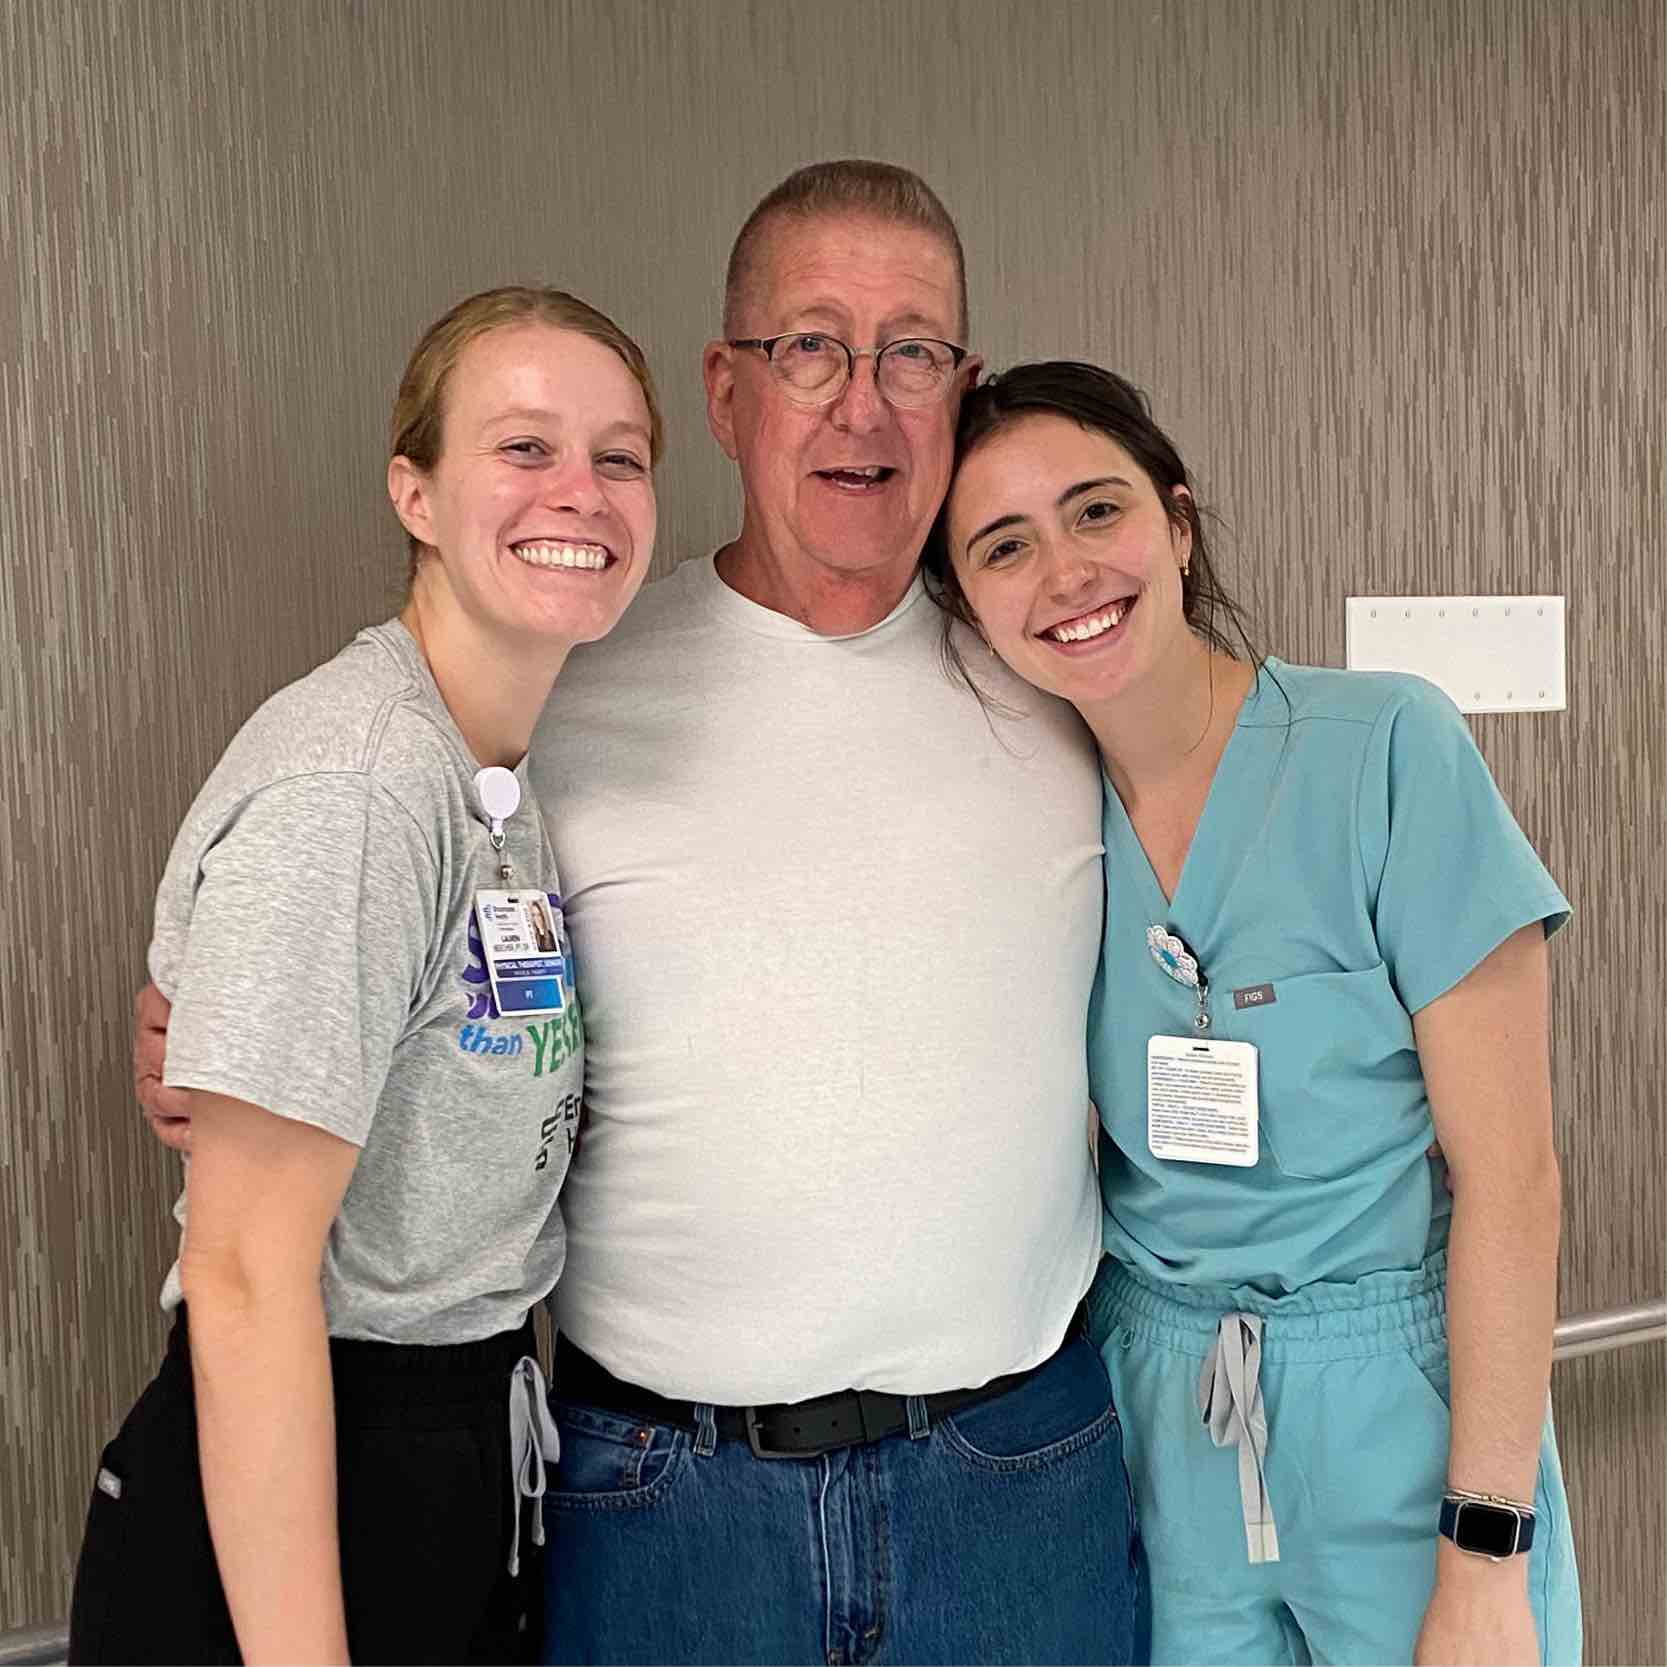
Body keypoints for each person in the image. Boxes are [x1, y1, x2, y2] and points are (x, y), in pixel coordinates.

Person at [135, 164, 1146, 1666]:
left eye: (912, 351)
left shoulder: (1067, 673)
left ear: (962, 388)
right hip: (666, 1501)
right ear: (729, 392)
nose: (862, 403)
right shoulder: (566, 680)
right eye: (811, 347)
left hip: (1016, 1481)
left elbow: (1248, 897)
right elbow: (357, 925)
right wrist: (217, 1034)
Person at [927, 359, 1583, 1666]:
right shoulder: (1025, 824)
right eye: (1005, 546)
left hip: (1400, 1404)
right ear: (967, 606)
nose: (1064, 572)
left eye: (1096, 511)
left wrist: (1487, 1553)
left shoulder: (1385, 751)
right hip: (1155, 1415)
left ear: (1176, 522)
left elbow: (1513, 1180)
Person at [82, 284, 660, 1665]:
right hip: (307, 1466)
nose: (578, 491)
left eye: (620, 455)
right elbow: (240, 1275)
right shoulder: (360, 784)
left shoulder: (500, 779)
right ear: (415, 492)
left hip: (458, 1444)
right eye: (523, 449)